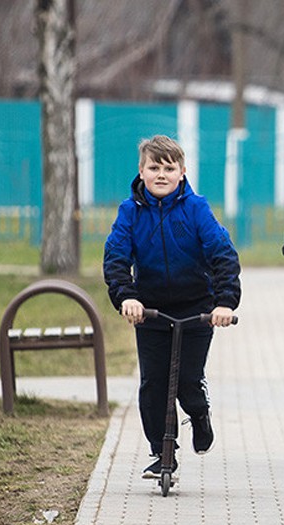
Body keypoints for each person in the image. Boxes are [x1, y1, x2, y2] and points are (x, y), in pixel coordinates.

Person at [103, 134, 241, 479]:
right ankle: (162, 451)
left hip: (196, 307)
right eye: (154, 168)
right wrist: (127, 297)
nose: (161, 175)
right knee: (154, 383)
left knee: (187, 381)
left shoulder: (196, 209)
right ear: (141, 171)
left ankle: (199, 414)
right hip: (149, 309)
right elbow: (116, 257)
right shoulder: (130, 212)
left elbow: (222, 254)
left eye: (169, 168)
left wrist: (224, 302)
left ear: (182, 172)